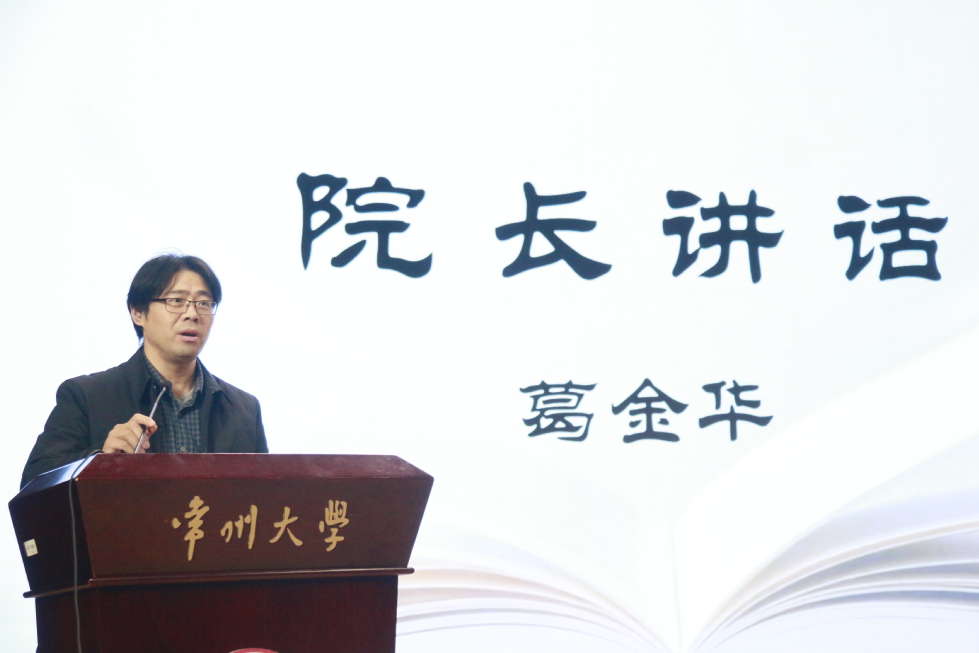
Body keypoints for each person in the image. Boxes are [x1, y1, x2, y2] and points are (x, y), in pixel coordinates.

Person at [21, 254, 268, 488]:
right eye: (176, 301)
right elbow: (33, 484)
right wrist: (100, 460)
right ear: (137, 312)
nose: (193, 314)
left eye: (204, 303)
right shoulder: (86, 396)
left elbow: (268, 498)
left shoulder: (244, 410)